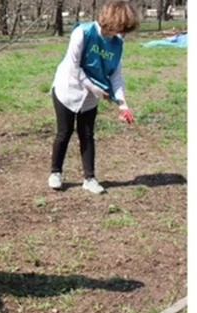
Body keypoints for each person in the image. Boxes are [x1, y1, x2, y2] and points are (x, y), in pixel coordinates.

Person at [47, 1, 139, 194]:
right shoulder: (83, 33)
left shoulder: (118, 44)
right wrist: (96, 89)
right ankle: (55, 173)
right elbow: (74, 69)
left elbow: (116, 75)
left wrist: (123, 105)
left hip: (90, 97)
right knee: (64, 132)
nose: (122, 33)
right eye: (121, 28)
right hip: (67, 89)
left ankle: (89, 178)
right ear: (112, 21)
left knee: (87, 135)